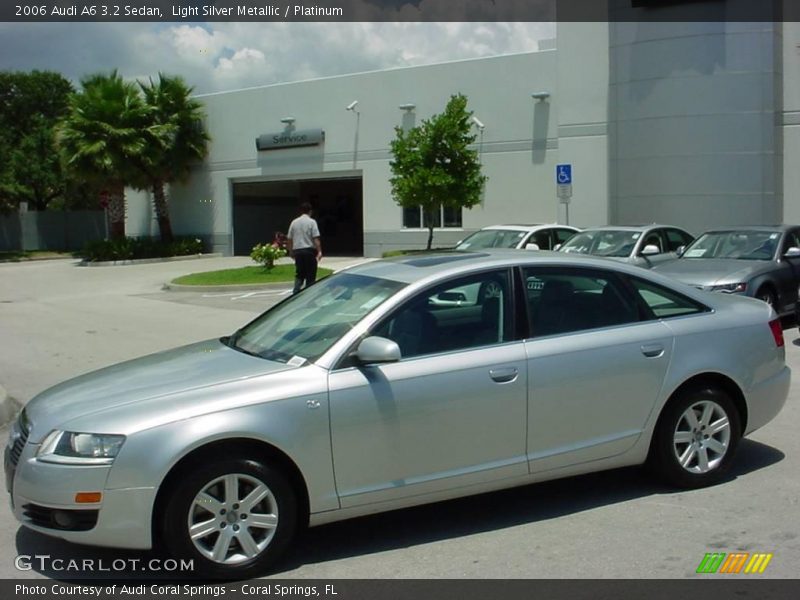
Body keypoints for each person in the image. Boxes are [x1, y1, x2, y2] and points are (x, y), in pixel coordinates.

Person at [286, 202, 322, 294]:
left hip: (298, 251)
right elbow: (316, 238)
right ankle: (308, 295)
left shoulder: (294, 222)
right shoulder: (312, 222)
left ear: (301, 211)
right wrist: (319, 251)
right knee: (311, 274)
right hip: (309, 251)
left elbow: (289, 238)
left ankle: (296, 292)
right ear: (310, 211)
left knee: (299, 273)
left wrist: (290, 251)